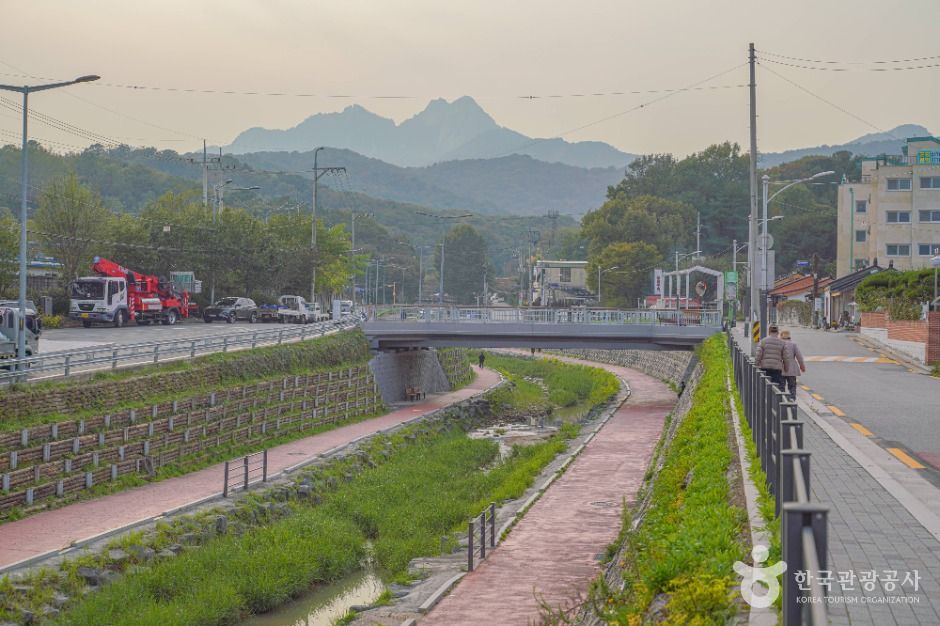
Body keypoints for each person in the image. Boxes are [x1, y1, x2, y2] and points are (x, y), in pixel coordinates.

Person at [779, 329, 805, 399]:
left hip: (780, 368)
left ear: (781, 335)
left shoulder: (779, 343)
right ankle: (792, 400)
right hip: (792, 368)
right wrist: (802, 366)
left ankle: (782, 401)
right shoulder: (793, 344)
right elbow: (799, 356)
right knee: (792, 386)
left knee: (781, 386)